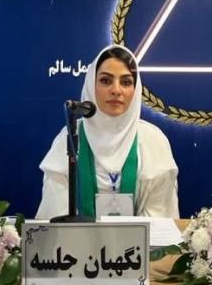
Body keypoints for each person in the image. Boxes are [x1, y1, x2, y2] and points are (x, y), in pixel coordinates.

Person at [36, 45, 179, 219]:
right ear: (92, 85)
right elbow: (56, 217)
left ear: (136, 89)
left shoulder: (153, 140)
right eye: (105, 81)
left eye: (126, 82)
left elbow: (159, 220)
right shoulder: (70, 137)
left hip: (143, 237)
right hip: (76, 237)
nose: (116, 90)